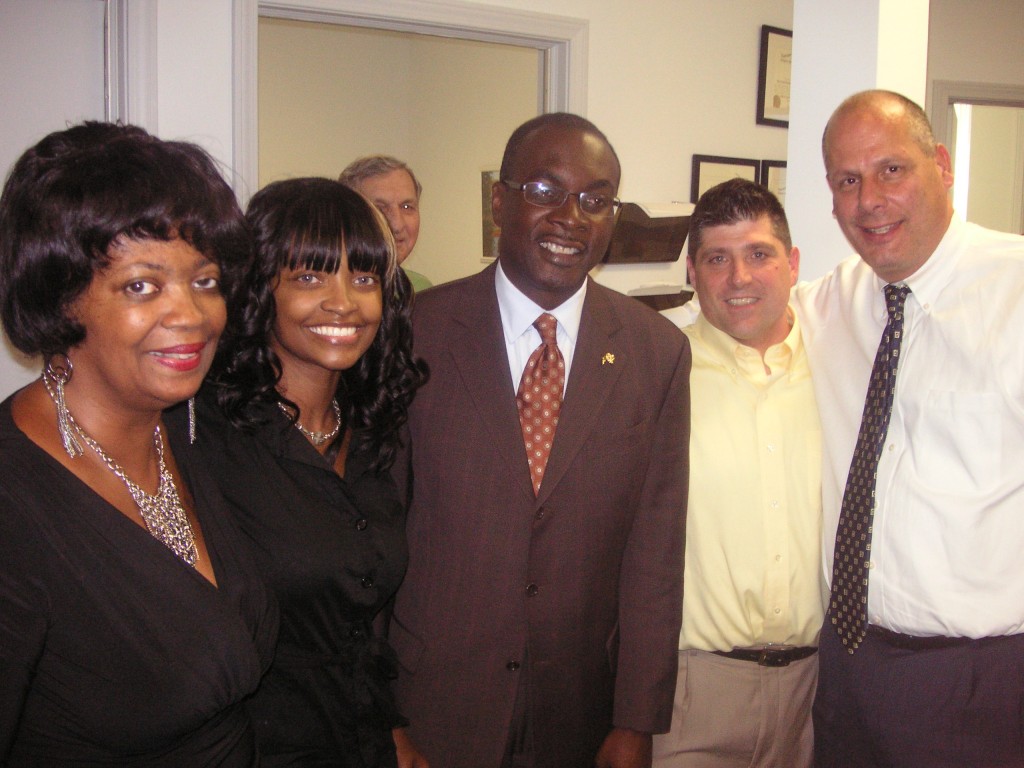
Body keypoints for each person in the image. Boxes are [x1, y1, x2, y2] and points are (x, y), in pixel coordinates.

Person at [390, 112, 691, 768]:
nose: (571, 217)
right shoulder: (415, 333)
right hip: (433, 706)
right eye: (545, 192)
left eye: (595, 199)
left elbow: (655, 555)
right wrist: (382, 713)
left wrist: (637, 719)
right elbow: (373, 532)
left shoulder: (656, 351)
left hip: (580, 713)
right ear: (500, 201)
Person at [0, 122, 276, 764]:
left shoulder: (186, 429)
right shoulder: (14, 503)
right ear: (60, 293)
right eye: (141, 285)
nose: (194, 315)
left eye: (205, 280)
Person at [793, 89, 1024, 766]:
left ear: (943, 166)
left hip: (980, 676)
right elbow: (726, 316)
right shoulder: (834, 300)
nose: (869, 200)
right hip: (843, 666)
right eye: (848, 180)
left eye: (891, 169)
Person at [194, 177, 429, 767]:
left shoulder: (374, 432)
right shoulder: (203, 436)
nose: (344, 301)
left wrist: (390, 729)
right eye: (309, 277)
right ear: (258, 290)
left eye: (364, 278)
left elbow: (355, 628)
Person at [653, 178, 822, 768]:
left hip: (817, 695)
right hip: (692, 698)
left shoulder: (840, 367)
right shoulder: (658, 371)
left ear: (793, 263)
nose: (740, 278)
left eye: (759, 255)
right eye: (717, 259)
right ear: (693, 274)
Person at [340, 155, 432, 291]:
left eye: (407, 207)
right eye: (380, 208)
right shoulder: (327, 292)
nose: (397, 225)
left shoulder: (420, 289)